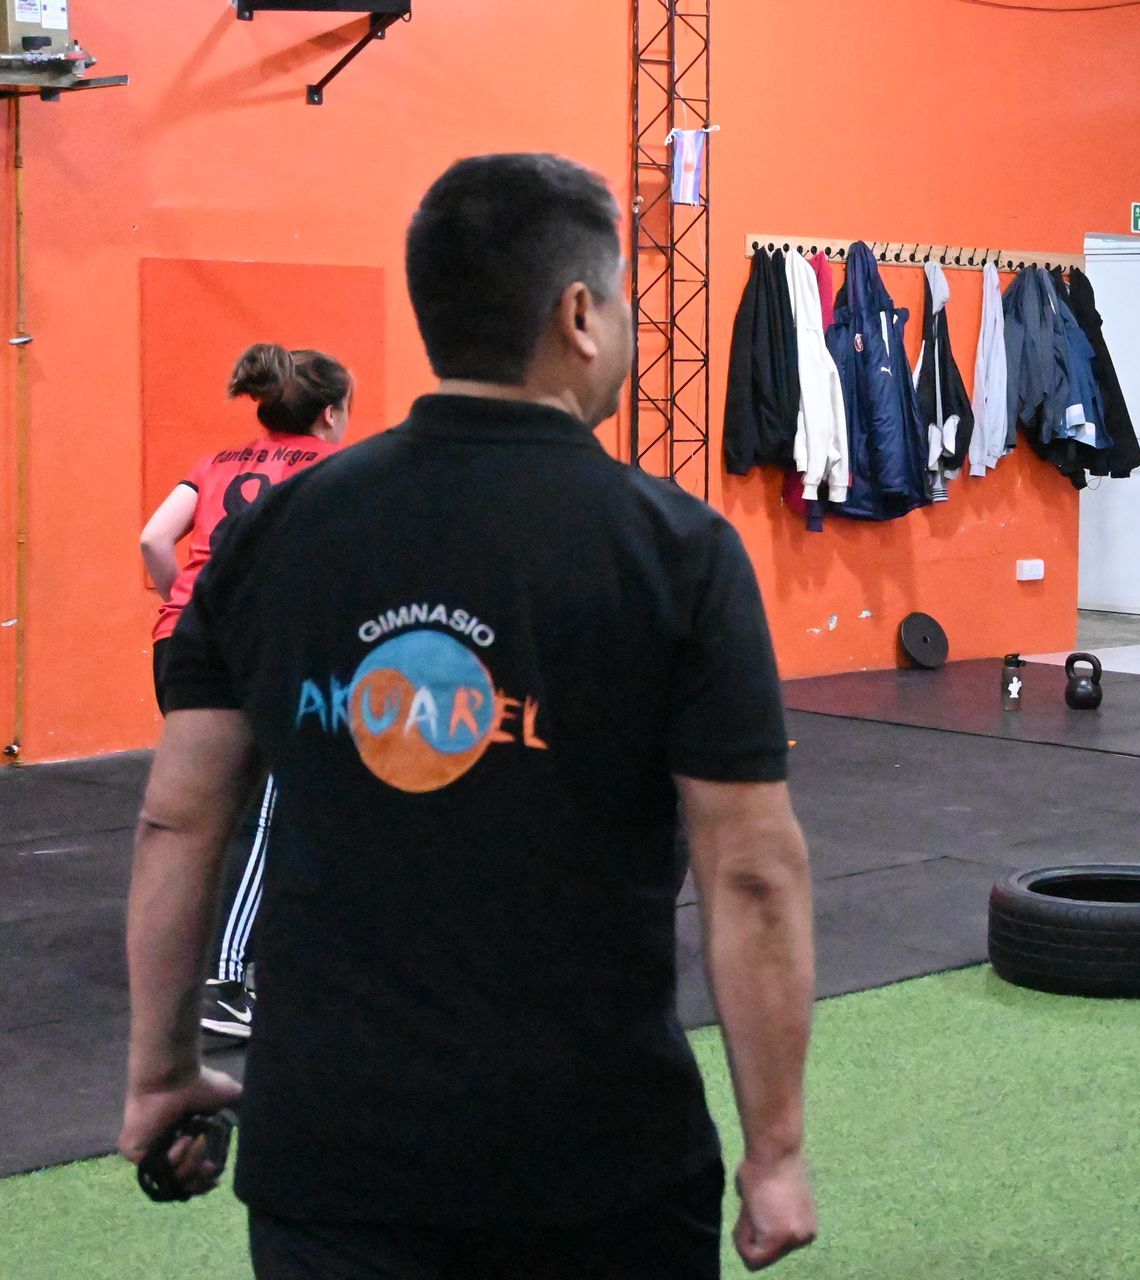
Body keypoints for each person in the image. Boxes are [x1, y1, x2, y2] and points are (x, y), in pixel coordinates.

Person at [119, 153, 818, 1279]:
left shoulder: (271, 532)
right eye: (625, 300)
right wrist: (774, 1150)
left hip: (333, 1160)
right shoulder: (678, 549)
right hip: (598, 1164)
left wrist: (159, 1071)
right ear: (579, 315)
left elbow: (179, 818)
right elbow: (751, 870)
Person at [138, 342, 352, 1040]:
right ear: (328, 412)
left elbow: (153, 539)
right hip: (256, 650)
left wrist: (188, 604)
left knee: (195, 819)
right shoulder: (331, 468)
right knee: (268, 814)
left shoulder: (216, 463)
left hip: (180, 644)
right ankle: (228, 985)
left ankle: (203, 969)